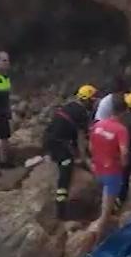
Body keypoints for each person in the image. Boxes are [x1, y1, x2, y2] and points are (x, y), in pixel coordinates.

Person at [42, 85, 98, 220]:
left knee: (67, 156)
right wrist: (85, 159)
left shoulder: (70, 106)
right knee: (66, 168)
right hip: (59, 143)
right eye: (92, 100)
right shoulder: (82, 113)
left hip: (48, 139)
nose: (94, 103)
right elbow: (80, 137)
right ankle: (61, 206)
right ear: (87, 100)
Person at [89, 97, 131, 239]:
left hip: (98, 168)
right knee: (105, 213)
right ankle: (96, 243)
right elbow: (124, 151)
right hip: (112, 171)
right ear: (124, 113)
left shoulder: (98, 125)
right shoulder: (121, 129)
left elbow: (90, 146)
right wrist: (123, 163)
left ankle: (101, 225)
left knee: (103, 200)